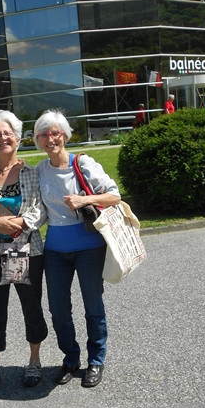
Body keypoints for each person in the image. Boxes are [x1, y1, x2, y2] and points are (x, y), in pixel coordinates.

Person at [34, 110, 121, 388]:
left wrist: (85, 200)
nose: (50, 139)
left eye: (55, 133)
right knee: (58, 309)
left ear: (65, 135)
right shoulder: (39, 170)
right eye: (44, 134)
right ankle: (71, 358)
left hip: (89, 248)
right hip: (55, 251)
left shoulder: (82, 163)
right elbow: (15, 180)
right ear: (37, 139)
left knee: (93, 306)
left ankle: (96, 360)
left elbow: (115, 195)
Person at [0, 110, 48, 398]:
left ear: (17, 137)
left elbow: (40, 210)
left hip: (26, 251)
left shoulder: (32, 173)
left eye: (7, 133)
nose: (2, 138)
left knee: (32, 308)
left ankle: (34, 362)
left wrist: (19, 223)